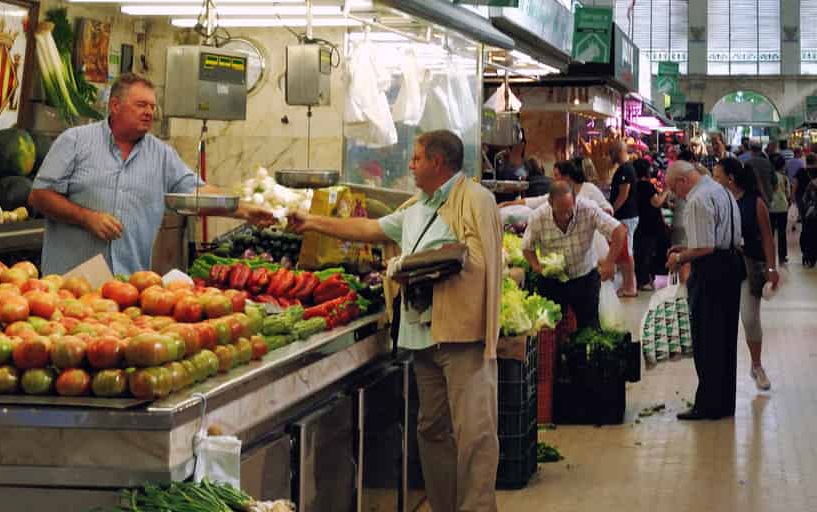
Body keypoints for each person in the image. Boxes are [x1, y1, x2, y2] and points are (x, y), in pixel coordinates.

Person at [257, 129, 502, 512]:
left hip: (461, 337)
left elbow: (478, 261)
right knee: (432, 430)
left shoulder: (475, 200)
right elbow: (369, 229)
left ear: (437, 163)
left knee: (475, 434)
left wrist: (412, 265)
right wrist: (312, 223)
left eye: (417, 158)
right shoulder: (416, 206)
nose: (410, 164)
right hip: (422, 337)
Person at [30, 74, 214, 276]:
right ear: (115, 106)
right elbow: (39, 196)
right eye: (141, 105)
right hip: (69, 286)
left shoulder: (163, 155)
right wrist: (86, 218)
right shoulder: (75, 141)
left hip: (126, 287)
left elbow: (198, 191)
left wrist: (246, 206)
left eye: (153, 107)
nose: (149, 112)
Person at [665, 159, 745, 420]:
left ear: (682, 181)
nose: (676, 196)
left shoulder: (697, 200)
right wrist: (685, 249)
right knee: (725, 337)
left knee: (707, 337)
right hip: (731, 265)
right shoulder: (721, 190)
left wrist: (679, 259)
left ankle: (708, 404)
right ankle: (723, 402)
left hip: (712, 271)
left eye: (674, 189)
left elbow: (705, 248)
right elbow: (713, 238)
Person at [520, 181, 627, 332]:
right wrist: (536, 266)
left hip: (585, 277)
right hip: (553, 282)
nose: (565, 216)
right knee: (551, 329)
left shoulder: (588, 209)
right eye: (560, 211)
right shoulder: (538, 216)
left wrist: (610, 262)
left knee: (589, 327)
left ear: (575, 200)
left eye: (569, 211)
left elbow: (619, 231)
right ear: (550, 203)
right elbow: (526, 247)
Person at [716, 156, 782, 391]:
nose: (715, 180)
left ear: (730, 179)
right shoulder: (717, 200)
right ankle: (721, 369)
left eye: (718, 175)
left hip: (749, 267)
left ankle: (756, 365)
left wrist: (772, 269)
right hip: (722, 267)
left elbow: (767, 237)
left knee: (749, 318)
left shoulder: (755, 202)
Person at [608, 140, 642, 298]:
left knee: (627, 253)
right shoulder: (625, 168)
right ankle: (628, 285)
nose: (609, 156)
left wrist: (611, 211)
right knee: (625, 252)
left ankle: (630, 286)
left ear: (617, 151)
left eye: (611, 152)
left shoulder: (626, 169)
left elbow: (623, 194)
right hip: (627, 216)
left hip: (626, 216)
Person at [631, 154, 669, 291]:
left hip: (639, 224)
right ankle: (645, 280)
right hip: (650, 224)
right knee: (648, 252)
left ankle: (644, 279)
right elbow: (656, 202)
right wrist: (666, 190)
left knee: (641, 252)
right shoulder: (646, 186)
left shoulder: (633, 186)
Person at [765, 153, 791, 264]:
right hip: (782, 207)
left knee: (769, 233)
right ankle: (782, 256)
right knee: (782, 233)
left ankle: (769, 255)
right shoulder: (784, 178)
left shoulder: (768, 177)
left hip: (770, 207)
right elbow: (788, 193)